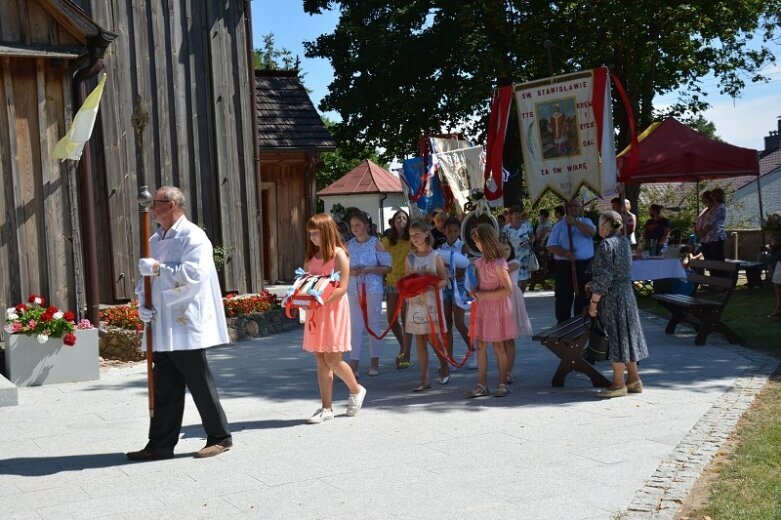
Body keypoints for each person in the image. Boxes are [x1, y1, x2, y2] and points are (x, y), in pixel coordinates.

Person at [127, 186, 232, 461]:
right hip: (162, 324)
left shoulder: (193, 237)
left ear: (171, 204)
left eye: (157, 203)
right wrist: (143, 303)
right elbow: (144, 277)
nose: (151, 209)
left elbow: (194, 275)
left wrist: (159, 269)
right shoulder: (154, 238)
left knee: (198, 381)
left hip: (185, 323)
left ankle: (220, 437)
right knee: (165, 385)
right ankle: (160, 445)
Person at [302, 213, 366, 424]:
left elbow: (343, 287)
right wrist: (299, 299)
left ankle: (356, 390)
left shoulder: (339, 254)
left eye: (316, 233)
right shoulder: (311, 255)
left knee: (332, 359)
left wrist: (320, 299)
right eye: (310, 234)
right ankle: (326, 408)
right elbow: (304, 282)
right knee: (320, 359)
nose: (312, 238)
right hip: (315, 312)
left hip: (333, 310)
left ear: (327, 232)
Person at [586, 210, 649, 398]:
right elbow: (617, 271)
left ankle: (618, 384)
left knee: (615, 337)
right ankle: (634, 380)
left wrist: (593, 303)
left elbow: (605, 277)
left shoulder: (606, 245)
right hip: (626, 294)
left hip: (612, 297)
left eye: (599, 223)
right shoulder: (624, 242)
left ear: (605, 225)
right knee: (626, 336)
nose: (598, 227)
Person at [466, 224, 516, 398]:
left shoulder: (499, 263)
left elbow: (508, 289)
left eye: (478, 241)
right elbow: (480, 284)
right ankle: (482, 384)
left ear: (486, 241)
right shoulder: (479, 263)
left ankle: (502, 382)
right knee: (480, 345)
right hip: (483, 308)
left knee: (498, 345)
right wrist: (474, 289)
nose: (476, 245)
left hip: (497, 307)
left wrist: (485, 296)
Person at [405, 219, 449, 392]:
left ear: (426, 234)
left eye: (417, 234)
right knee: (420, 339)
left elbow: (444, 279)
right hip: (416, 304)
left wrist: (434, 284)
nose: (414, 238)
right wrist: (411, 285)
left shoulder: (435, 256)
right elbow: (407, 279)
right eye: (411, 235)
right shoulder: (410, 257)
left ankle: (444, 362)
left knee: (433, 338)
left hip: (432, 303)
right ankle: (425, 378)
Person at [346, 211, 391, 377]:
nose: (355, 228)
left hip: (372, 288)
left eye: (358, 225)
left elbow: (387, 267)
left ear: (366, 225)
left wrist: (369, 269)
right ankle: (354, 365)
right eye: (353, 226)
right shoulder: (348, 245)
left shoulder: (376, 243)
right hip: (353, 288)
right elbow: (340, 267)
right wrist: (351, 272)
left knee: (373, 324)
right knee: (355, 326)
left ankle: (374, 363)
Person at [547, 198, 596, 323]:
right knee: (563, 297)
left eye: (576, 206)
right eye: (570, 206)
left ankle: (582, 324)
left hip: (585, 266)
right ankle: (563, 327)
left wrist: (575, 223)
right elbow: (551, 245)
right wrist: (565, 253)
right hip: (564, 265)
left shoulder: (586, 221)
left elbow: (592, 232)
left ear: (580, 208)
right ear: (565, 209)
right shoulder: (558, 226)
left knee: (584, 297)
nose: (573, 208)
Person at [436, 216, 472, 362]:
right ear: (444, 231)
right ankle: (449, 356)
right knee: (447, 323)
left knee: (459, 322)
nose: (452, 233)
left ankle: (474, 350)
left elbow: (462, 269)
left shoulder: (463, 246)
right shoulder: (440, 248)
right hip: (446, 287)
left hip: (460, 286)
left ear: (459, 231)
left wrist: (448, 269)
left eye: (455, 231)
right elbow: (438, 269)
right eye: (449, 231)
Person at [381, 210, 413, 369]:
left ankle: (406, 354)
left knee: (406, 320)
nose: (401, 220)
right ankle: (403, 346)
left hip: (407, 284)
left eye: (404, 218)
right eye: (398, 218)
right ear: (393, 222)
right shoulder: (386, 241)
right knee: (391, 319)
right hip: (391, 282)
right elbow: (377, 256)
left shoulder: (411, 240)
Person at [500, 233, 533, 385]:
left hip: (511, 300)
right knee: (501, 339)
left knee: (509, 339)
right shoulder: (497, 263)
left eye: (507, 248)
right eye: (501, 249)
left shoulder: (514, 262)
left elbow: (503, 270)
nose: (505, 251)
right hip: (498, 300)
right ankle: (504, 368)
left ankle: (508, 372)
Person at [502, 205, 535, 291]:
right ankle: (514, 299)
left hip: (525, 257)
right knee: (513, 280)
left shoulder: (527, 225)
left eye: (519, 213)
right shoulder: (506, 228)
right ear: (511, 215)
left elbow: (533, 238)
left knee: (523, 281)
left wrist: (529, 242)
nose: (518, 215)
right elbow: (504, 242)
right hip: (512, 257)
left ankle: (521, 297)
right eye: (515, 214)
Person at [528, 208, 553, 291]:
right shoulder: (539, 223)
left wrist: (537, 238)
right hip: (538, 245)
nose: (540, 216)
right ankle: (541, 282)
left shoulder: (548, 223)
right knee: (536, 263)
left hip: (544, 246)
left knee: (541, 264)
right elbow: (537, 234)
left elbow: (543, 234)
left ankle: (539, 282)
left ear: (544, 215)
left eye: (541, 215)